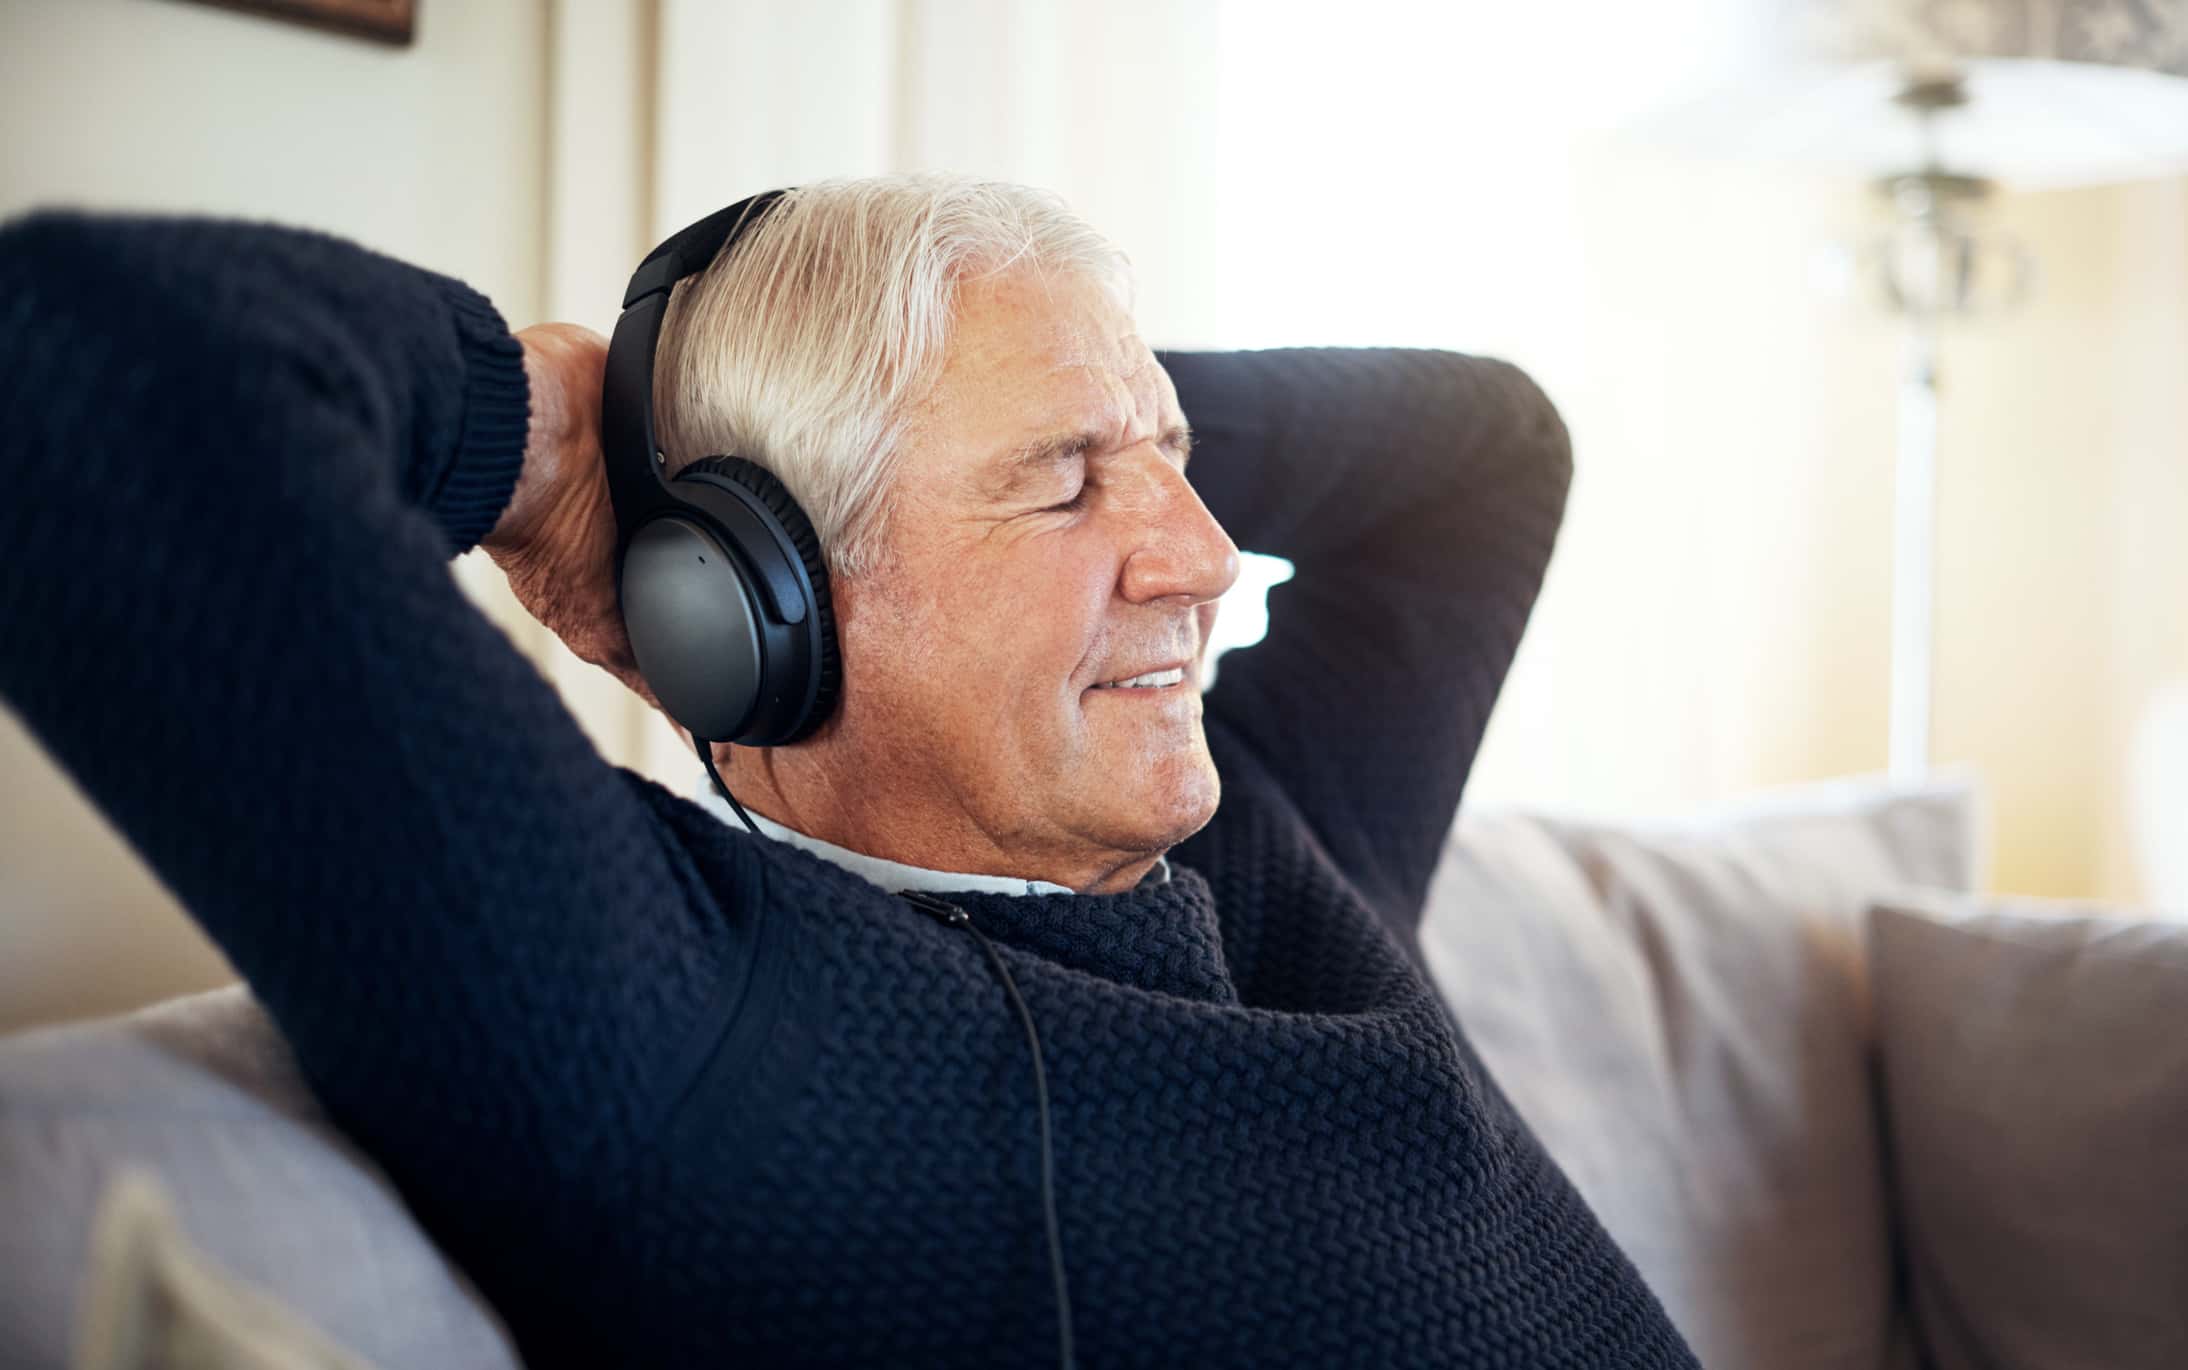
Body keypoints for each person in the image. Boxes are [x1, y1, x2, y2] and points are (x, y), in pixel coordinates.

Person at [0, 175, 1699, 1369]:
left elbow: (1486, 449)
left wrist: (1084, 387)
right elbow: (76, 364)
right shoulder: (698, 1025)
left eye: (1177, 467)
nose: (1201, 561)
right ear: (755, 608)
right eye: (1061, 487)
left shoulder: (1258, 830)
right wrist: (574, 442)